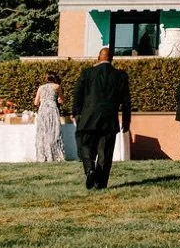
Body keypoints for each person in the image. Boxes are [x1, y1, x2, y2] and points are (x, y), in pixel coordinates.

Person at [72, 47, 132, 189]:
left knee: (85, 145)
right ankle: (101, 182)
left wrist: (76, 112)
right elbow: (126, 100)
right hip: (109, 118)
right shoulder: (120, 76)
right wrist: (126, 121)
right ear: (111, 59)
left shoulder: (87, 73)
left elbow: (77, 94)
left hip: (88, 117)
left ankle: (89, 169)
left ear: (98, 58)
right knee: (105, 151)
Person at [33, 68, 66, 162]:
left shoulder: (41, 87)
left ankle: (43, 155)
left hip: (43, 110)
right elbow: (61, 100)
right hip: (52, 110)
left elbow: (36, 102)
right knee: (54, 132)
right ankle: (55, 155)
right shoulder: (57, 86)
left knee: (43, 132)